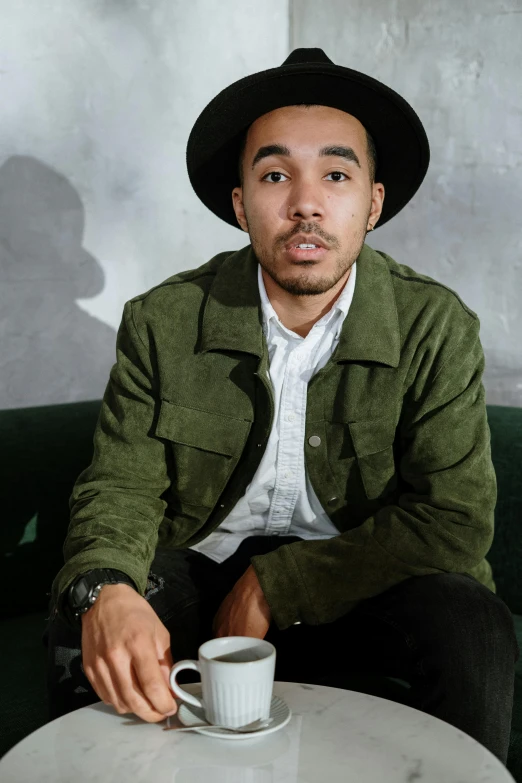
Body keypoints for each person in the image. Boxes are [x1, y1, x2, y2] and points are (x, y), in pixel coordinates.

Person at [43, 48, 519, 766]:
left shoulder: (436, 326)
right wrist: (103, 586)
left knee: (473, 625)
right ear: (240, 204)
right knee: (83, 629)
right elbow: (122, 485)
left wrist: (280, 580)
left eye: (335, 174)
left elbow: (455, 518)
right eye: (274, 175)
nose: (305, 202)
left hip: (360, 579)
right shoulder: (162, 321)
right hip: (202, 577)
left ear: (373, 203)